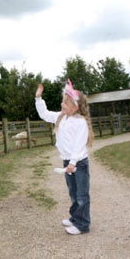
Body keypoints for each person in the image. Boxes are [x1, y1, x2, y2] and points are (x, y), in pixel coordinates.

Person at [35, 79, 94, 235]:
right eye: (63, 102)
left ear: (75, 107)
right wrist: (38, 99)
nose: (62, 105)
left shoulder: (80, 123)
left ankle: (83, 225)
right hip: (68, 162)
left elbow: (79, 146)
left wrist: (73, 163)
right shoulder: (61, 118)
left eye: (66, 104)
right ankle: (75, 217)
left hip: (78, 163)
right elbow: (44, 114)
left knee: (82, 194)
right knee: (73, 192)